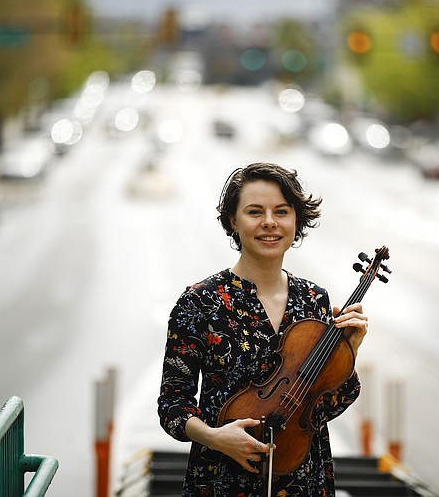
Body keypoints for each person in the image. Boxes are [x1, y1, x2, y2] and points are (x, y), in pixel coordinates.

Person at [157, 162, 369, 496]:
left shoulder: (314, 300)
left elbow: (320, 410)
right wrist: (214, 437)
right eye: (255, 212)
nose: (269, 223)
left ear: (296, 221)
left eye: (281, 212)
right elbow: (173, 405)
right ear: (233, 222)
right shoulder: (199, 303)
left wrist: (348, 353)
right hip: (222, 480)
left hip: (303, 480)